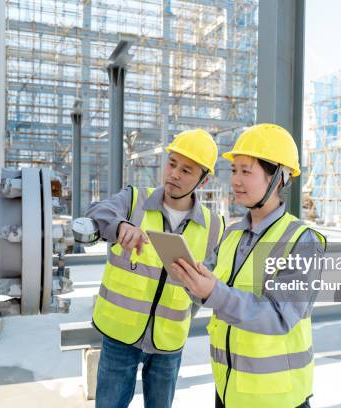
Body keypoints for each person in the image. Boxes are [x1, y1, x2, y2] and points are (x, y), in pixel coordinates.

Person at [170, 123, 326, 408]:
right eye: (234, 170)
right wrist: (190, 279)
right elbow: (211, 291)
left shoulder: (302, 241)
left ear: (278, 178)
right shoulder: (232, 235)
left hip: (277, 400)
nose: (236, 181)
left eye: (246, 171)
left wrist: (213, 291)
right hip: (228, 391)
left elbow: (279, 317)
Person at [85, 128, 224, 408]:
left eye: (186, 170)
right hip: (120, 335)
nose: (174, 174)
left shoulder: (214, 227)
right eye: (172, 164)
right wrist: (121, 226)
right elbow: (96, 212)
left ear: (203, 179)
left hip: (168, 343)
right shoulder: (134, 200)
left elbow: (207, 289)